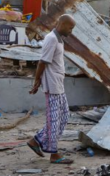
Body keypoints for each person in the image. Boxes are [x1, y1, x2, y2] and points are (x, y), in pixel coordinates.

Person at [28, 14, 76, 164]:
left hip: (58, 84)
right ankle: (54, 154)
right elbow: (42, 62)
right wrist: (37, 81)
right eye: (70, 27)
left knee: (64, 116)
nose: (71, 31)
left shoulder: (58, 39)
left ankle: (37, 141)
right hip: (52, 84)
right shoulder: (51, 39)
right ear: (61, 23)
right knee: (54, 120)